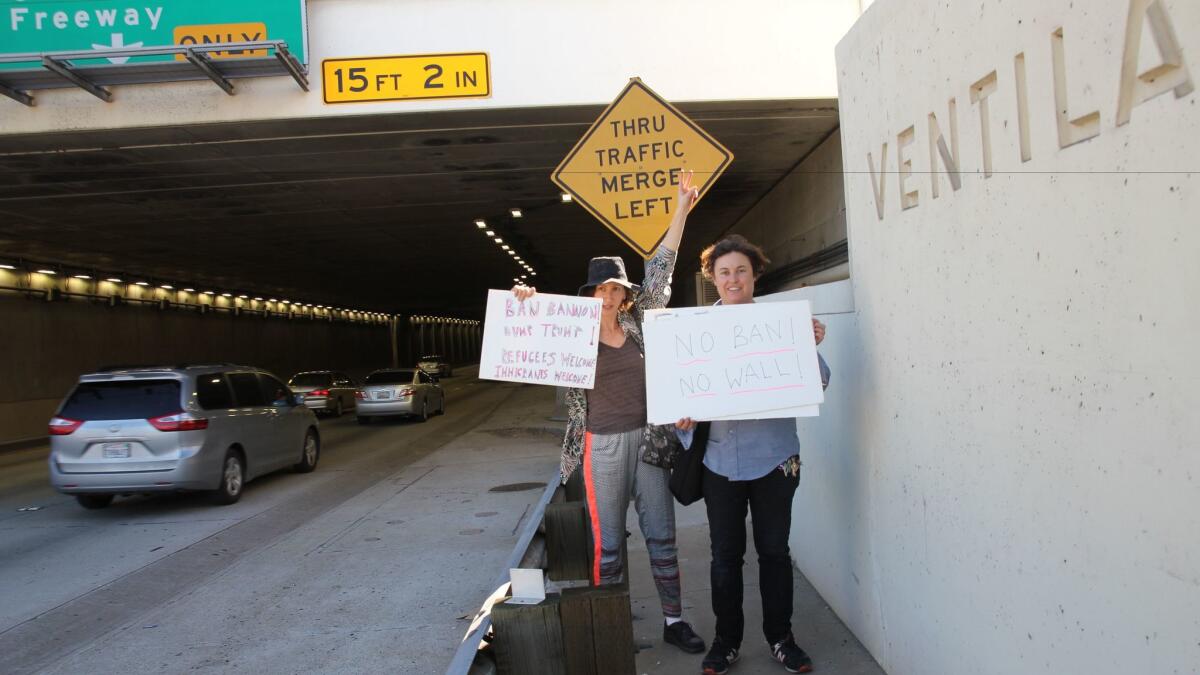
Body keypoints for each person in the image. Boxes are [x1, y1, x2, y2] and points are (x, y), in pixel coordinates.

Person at [511, 171, 706, 655]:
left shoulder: (641, 322)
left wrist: (681, 207)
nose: (608, 297)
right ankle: (610, 621)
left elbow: (661, 265)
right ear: (590, 294)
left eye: (615, 289)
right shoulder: (570, 332)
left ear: (624, 294)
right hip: (602, 444)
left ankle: (674, 619)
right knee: (608, 543)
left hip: (649, 441)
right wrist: (525, 304)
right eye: (600, 290)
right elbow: (531, 329)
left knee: (661, 536)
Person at [675, 234, 831, 675]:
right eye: (723, 272)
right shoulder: (693, 332)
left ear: (755, 274)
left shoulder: (782, 325)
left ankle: (781, 638)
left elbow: (818, 382)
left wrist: (808, 345)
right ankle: (727, 641)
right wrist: (682, 421)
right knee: (725, 556)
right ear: (712, 278)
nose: (733, 279)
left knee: (775, 553)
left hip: (775, 459)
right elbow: (678, 395)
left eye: (741, 270)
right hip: (720, 463)